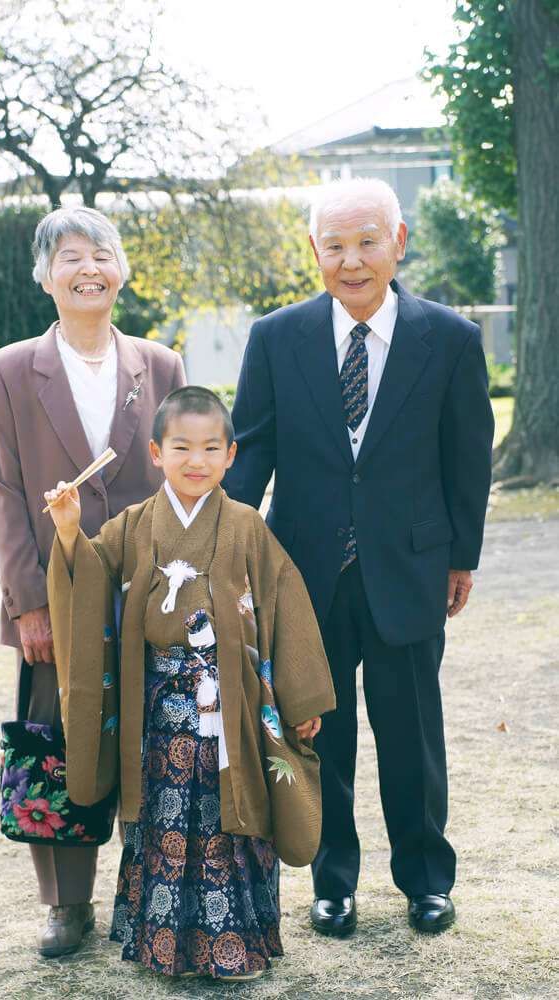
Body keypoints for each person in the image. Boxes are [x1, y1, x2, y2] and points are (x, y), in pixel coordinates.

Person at [223, 177, 494, 936]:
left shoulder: (450, 339)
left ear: (398, 243)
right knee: (321, 734)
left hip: (409, 568)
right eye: (334, 245)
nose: (352, 260)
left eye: (367, 241)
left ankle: (426, 879)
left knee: (412, 734)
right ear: (314, 252)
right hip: (302, 575)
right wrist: (221, 545)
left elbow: (467, 459)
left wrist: (460, 558)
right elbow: (253, 455)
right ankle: (332, 879)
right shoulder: (276, 338)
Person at [44, 386, 336, 981]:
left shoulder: (247, 525)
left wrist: (301, 699)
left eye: (210, 447)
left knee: (233, 814)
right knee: (166, 816)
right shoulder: (134, 526)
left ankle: (237, 945)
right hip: (158, 711)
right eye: (181, 446)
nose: (195, 460)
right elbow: (90, 581)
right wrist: (71, 532)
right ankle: (164, 945)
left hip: (231, 706)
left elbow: (284, 600)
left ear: (231, 455)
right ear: (155, 452)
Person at [0, 205, 185, 957]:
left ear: (122, 268)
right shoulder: (8, 370)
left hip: (149, 590)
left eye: (101, 253)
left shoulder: (159, 365)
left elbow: (180, 478)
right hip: (55, 597)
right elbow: (3, 490)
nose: (88, 267)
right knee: (59, 743)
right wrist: (27, 601)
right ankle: (67, 906)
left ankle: (151, 894)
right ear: (45, 276)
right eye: (69, 256)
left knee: (152, 741)